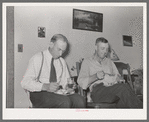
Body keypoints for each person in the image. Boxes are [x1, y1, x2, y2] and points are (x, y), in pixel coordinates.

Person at [21, 34, 86, 108]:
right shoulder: (38, 58)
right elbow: (25, 83)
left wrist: (70, 86)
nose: (61, 54)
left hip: (56, 93)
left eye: (63, 51)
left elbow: (65, 82)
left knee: (80, 100)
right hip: (39, 93)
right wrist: (45, 86)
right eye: (59, 49)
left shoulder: (62, 62)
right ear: (51, 44)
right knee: (64, 101)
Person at [77, 37, 143, 108]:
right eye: (102, 48)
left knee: (123, 100)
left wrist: (118, 79)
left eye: (107, 49)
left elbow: (118, 77)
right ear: (96, 47)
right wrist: (95, 76)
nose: (105, 52)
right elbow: (81, 82)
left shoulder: (110, 62)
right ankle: (142, 113)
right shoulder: (87, 62)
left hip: (113, 89)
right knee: (123, 89)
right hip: (98, 91)